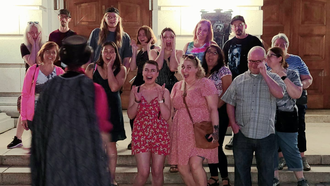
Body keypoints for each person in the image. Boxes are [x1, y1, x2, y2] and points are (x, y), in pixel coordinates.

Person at [30, 35, 112, 186]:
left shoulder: (49, 88)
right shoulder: (94, 89)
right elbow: (103, 135)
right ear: (86, 59)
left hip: (55, 165)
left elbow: (39, 130)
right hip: (85, 166)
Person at [221, 46, 285, 186]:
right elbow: (229, 102)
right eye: (251, 61)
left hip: (266, 135)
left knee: (267, 175)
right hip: (243, 134)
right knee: (241, 175)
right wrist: (234, 125)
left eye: (258, 61)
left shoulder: (274, 78)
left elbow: (280, 94)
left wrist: (265, 75)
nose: (254, 64)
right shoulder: (239, 80)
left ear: (265, 61)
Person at [169, 54, 219, 186]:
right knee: (182, 168)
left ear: (197, 69)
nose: (185, 70)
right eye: (183, 67)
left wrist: (216, 131)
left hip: (199, 131)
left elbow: (213, 109)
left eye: (189, 67)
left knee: (195, 164)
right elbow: (171, 112)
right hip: (181, 132)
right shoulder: (177, 86)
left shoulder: (206, 84)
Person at [266, 47, 309, 186]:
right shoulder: (265, 74)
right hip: (269, 116)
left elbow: (296, 94)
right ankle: (274, 178)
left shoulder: (291, 73)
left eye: (270, 55)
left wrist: (283, 76)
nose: (267, 58)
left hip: (287, 116)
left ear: (279, 58)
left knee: (291, 149)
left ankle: (301, 179)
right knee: (270, 149)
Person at [86, 41, 127, 186]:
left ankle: (111, 178)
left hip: (113, 110)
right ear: (101, 52)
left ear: (116, 54)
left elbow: (114, 87)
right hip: (96, 110)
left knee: (111, 144)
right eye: (105, 51)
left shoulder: (121, 69)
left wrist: (110, 68)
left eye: (111, 51)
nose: (108, 54)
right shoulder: (91, 68)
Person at [271, 33, 313, 171]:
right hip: (274, 102)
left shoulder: (296, 60)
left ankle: (301, 157)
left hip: (295, 101)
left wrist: (297, 85)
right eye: (277, 45)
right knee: (276, 129)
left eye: (283, 45)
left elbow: (308, 79)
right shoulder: (268, 61)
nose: (280, 47)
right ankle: (280, 157)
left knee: (299, 128)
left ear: (287, 46)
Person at [222, 15, 264, 150]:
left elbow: (264, 59)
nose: (238, 27)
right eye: (235, 25)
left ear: (245, 26)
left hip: (254, 81)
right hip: (234, 82)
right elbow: (223, 64)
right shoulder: (228, 44)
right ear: (232, 28)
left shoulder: (254, 41)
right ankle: (236, 136)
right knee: (236, 110)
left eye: (240, 24)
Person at [127, 60, 171, 186]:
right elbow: (130, 115)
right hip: (141, 134)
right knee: (143, 172)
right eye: (146, 70)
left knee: (157, 172)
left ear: (157, 74)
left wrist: (161, 100)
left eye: (152, 70)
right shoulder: (136, 90)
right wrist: (136, 101)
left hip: (160, 134)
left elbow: (167, 116)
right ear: (142, 73)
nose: (149, 73)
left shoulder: (164, 92)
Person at [7, 21, 43, 149]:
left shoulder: (44, 45)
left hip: (43, 81)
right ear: (27, 33)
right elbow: (33, 62)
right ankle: (18, 138)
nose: (34, 35)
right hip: (30, 83)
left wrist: (38, 44)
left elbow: (40, 62)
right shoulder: (24, 46)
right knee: (24, 109)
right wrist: (34, 45)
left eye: (36, 32)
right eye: (31, 32)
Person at [202, 44, 232, 186]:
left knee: (217, 144)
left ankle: (225, 177)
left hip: (219, 112)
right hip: (203, 113)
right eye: (208, 52)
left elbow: (227, 93)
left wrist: (214, 108)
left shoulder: (223, 70)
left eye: (215, 53)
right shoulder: (201, 72)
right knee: (208, 145)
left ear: (220, 56)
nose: (211, 55)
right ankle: (214, 176)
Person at [128, 25, 158, 150]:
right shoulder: (139, 52)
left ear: (149, 36)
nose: (142, 37)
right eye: (140, 35)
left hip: (151, 82)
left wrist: (148, 48)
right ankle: (134, 136)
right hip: (139, 81)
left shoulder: (155, 49)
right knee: (134, 111)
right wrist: (134, 51)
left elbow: (154, 64)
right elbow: (133, 68)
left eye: (144, 34)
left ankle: (152, 137)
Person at [152, 27, 183, 92]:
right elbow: (158, 67)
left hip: (174, 89)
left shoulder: (179, 53)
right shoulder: (153, 52)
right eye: (165, 37)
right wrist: (162, 48)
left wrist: (173, 49)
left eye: (171, 37)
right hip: (158, 88)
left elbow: (173, 68)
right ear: (161, 39)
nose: (168, 39)